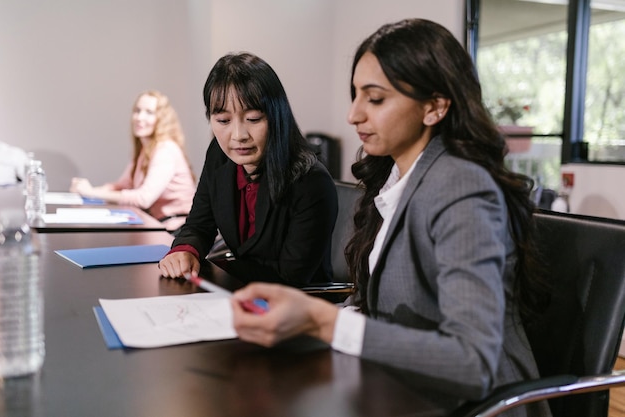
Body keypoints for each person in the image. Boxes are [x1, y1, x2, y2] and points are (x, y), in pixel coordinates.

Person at [230, 19, 550, 417]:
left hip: (471, 405)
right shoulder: (397, 178)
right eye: (355, 95)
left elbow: (473, 362)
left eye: (375, 99)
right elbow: (377, 304)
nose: (352, 115)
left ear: (434, 106)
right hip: (396, 387)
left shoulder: (461, 187)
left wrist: (322, 322)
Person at [158, 52, 338, 286]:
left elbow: (290, 277)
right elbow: (199, 224)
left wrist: (220, 269)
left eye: (253, 119)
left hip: (295, 307)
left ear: (277, 116)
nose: (238, 136)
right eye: (223, 121)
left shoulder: (311, 182)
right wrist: (185, 251)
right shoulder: (219, 156)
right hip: (239, 294)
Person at [70, 90, 196, 233]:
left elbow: (143, 199)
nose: (140, 117)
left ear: (162, 119)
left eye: (149, 112)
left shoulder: (165, 150)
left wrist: (92, 193)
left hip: (178, 229)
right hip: (158, 224)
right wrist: (87, 190)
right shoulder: (145, 149)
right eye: (137, 110)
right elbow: (123, 185)